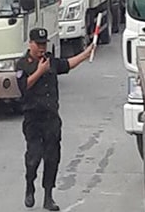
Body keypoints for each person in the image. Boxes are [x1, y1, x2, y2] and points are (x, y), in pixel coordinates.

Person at [15, 27, 94, 211]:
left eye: (44, 44)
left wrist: (85, 54)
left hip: (51, 119)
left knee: (52, 158)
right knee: (33, 158)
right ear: (30, 44)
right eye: (38, 44)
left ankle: (48, 196)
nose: (42, 48)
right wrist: (40, 71)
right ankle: (29, 185)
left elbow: (67, 64)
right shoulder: (22, 64)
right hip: (33, 119)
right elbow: (23, 87)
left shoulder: (50, 60)